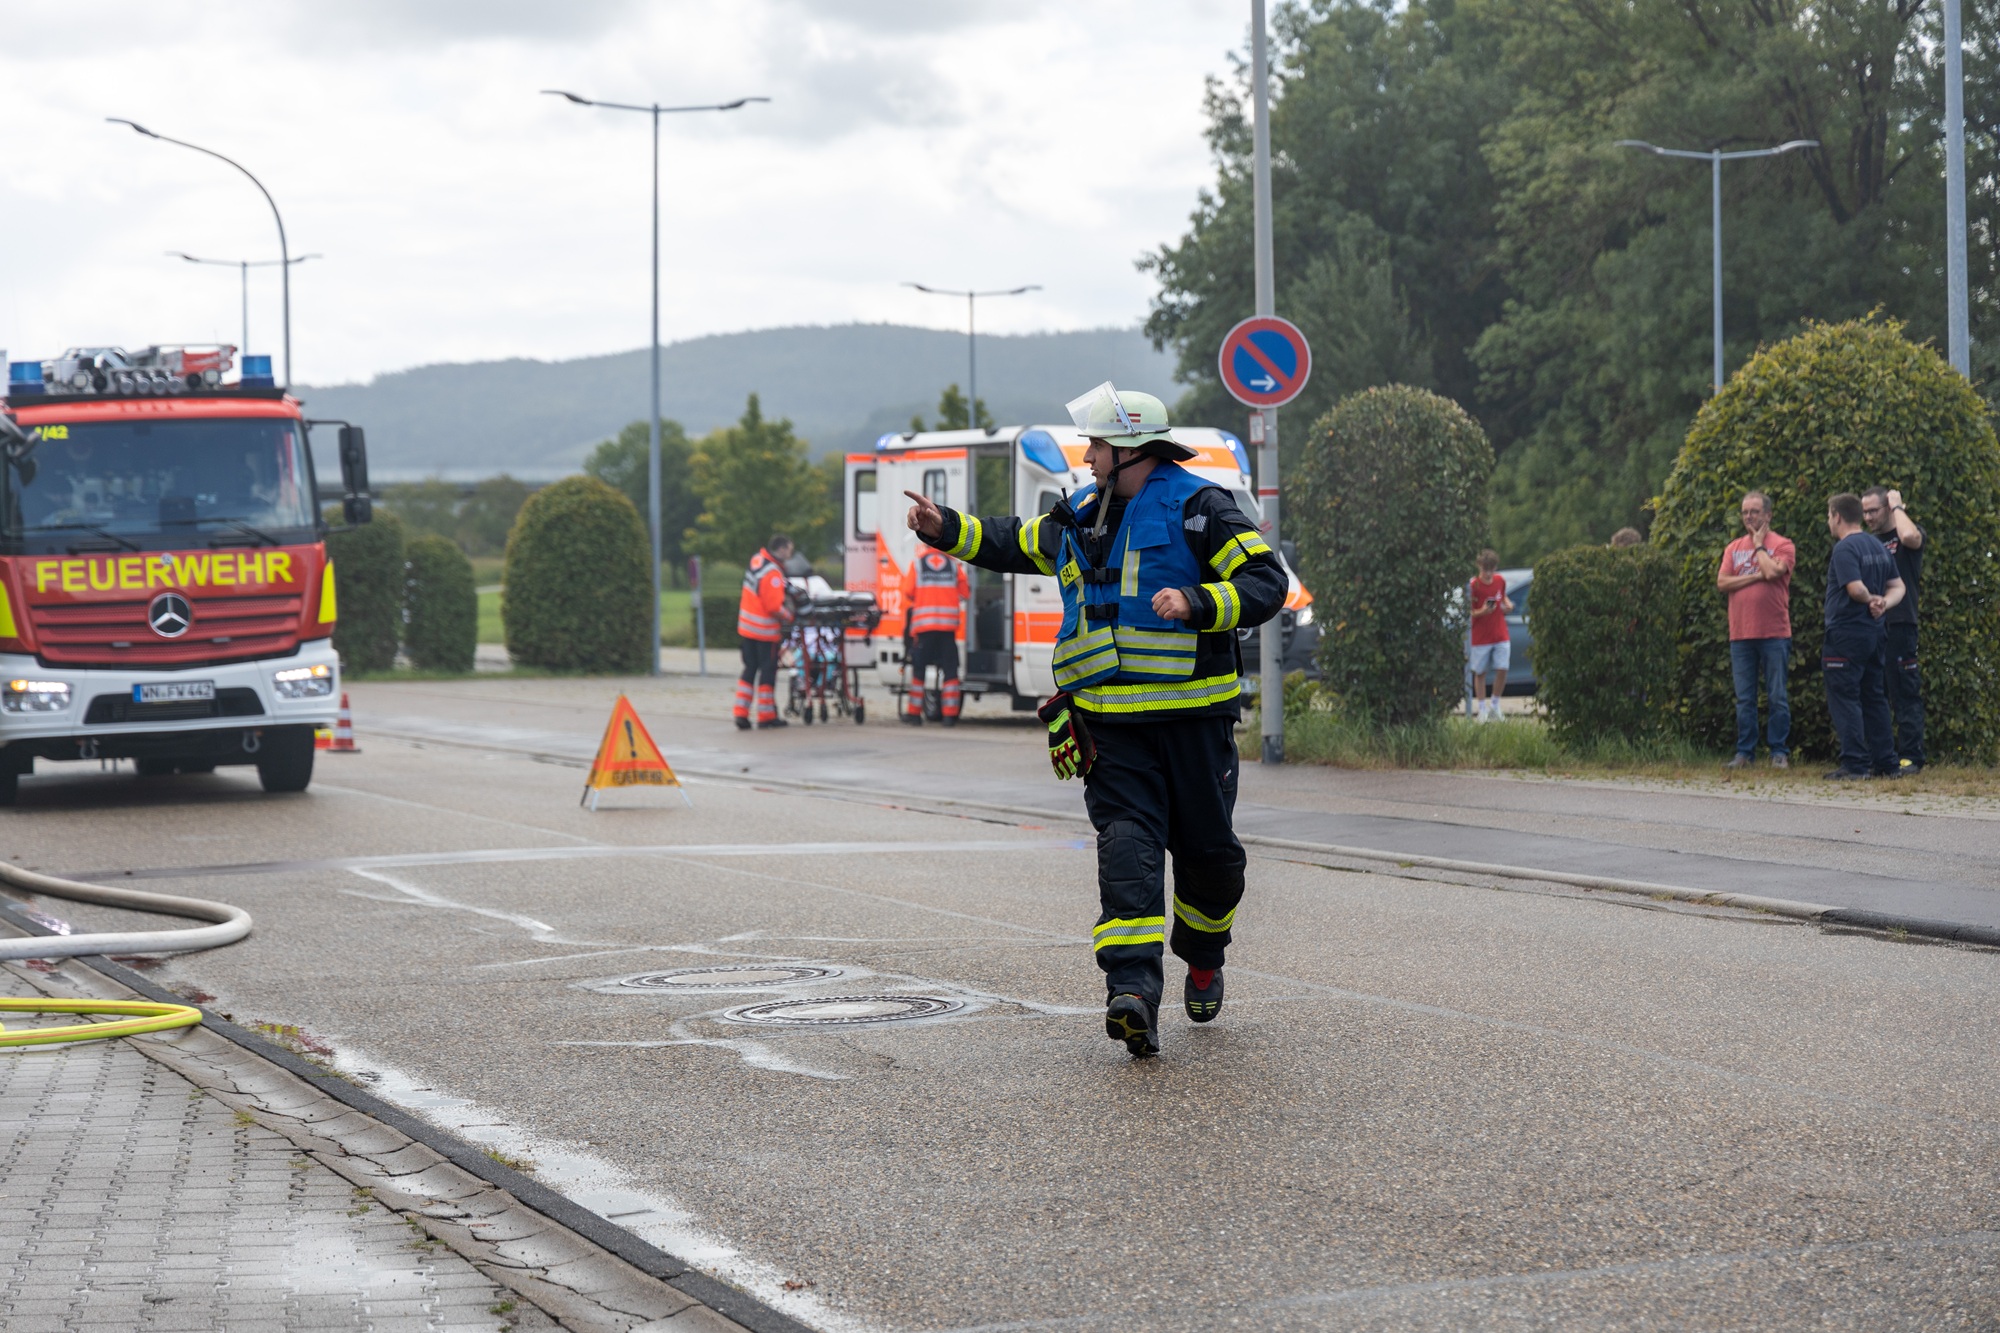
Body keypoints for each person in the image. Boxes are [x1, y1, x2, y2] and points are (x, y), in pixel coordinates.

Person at [903, 382, 1286, 1058]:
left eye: (1098, 445)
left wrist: (1198, 601)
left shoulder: (1202, 509)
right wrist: (946, 529)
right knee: (1126, 850)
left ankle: (1203, 956)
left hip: (1195, 723)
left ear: (1133, 449)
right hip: (1108, 725)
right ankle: (1132, 993)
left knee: (1212, 862)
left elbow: (1266, 583)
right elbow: (1014, 542)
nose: (1088, 456)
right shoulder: (1082, 513)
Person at [1821, 493, 1903, 780]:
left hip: (1846, 633)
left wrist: (1870, 599)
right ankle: (1887, 763)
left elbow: (1855, 589)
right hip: (1874, 633)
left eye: (1829, 516)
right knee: (1874, 696)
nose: (1829, 521)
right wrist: (1884, 603)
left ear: (1837, 516)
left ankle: (1855, 764)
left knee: (1845, 697)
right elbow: (1898, 586)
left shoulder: (1844, 548)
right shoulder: (1878, 546)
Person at [1715, 491, 1796, 769]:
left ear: (1768, 515)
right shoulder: (1733, 547)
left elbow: (1773, 573)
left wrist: (1760, 546)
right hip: (1740, 634)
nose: (1748, 517)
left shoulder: (1783, 545)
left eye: (1754, 512)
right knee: (1745, 698)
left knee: (1777, 696)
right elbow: (1723, 582)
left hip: (1775, 633)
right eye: (1745, 512)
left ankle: (1778, 752)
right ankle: (1745, 753)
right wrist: (1755, 576)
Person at [1862, 486, 1926, 773]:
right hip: (1872, 626)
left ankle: (1911, 756)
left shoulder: (1907, 533)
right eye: (1864, 512)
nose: (1868, 517)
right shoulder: (1868, 542)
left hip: (1900, 624)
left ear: (1888, 508)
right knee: (1875, 693)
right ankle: (1880, 757)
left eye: (1873, 511)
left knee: (1905, 692)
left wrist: (1898, 506)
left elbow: (1910, 537)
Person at [899, 549, 970, 726]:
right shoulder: (953, 565)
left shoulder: (918, 564)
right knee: (950, 671)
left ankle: (914, 715)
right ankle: (949, 716)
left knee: (919, 670)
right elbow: (965, 593)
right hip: (947, 629)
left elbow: (908, 591)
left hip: (924, 629)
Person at [734, 534, 796, 731]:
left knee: (749, 669)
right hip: (765, 632)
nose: (790, 554)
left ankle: (741, 713)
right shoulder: (773, 573)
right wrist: (789, 616)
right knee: (767, 673)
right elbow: (773, 607)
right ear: (782, 549)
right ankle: (766, 715)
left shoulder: (757, 561)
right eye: (789, 550)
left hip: (747, 629)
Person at [1466, 550, 1512, 722]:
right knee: (1480, 673)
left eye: (1491, 569)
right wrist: (1483, 611)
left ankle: (1495, 705)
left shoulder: (1500, 580)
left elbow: (1503, 597)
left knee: (1503, 668)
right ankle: (1482, 709)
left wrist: (1508, 605)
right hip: (1480, 636)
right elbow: (1469, 612)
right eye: (1485, 569)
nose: (1488, 573)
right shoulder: (1474, 585)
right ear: (1479, 567)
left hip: (1500, 633)